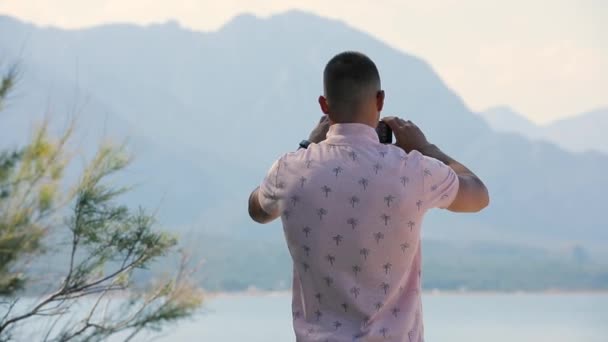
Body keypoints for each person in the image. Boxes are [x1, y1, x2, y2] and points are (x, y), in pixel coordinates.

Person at [248, 51, 489, 341]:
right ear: (380, 101)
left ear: (324, 105)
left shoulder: (289, 170)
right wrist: (426, 148)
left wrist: (307, 145)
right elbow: (478, 194)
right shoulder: (412, 170)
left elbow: (257, 210)